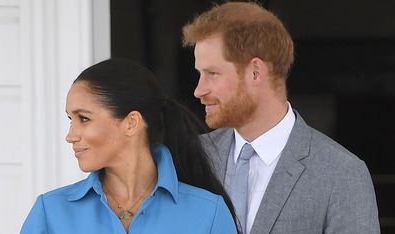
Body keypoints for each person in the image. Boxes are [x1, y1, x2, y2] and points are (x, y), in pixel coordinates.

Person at [182, 2, 380, 234]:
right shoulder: (192, 158)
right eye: (200, 74)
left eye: (212, 74)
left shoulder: (342, 174)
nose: (198, 90)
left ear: (255, 72)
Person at [20, 58, 239, 234]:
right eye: (70, 119)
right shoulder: (50, 213)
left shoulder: (209, 213)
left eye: (84, 119)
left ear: (131, 123)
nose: (70, 136)